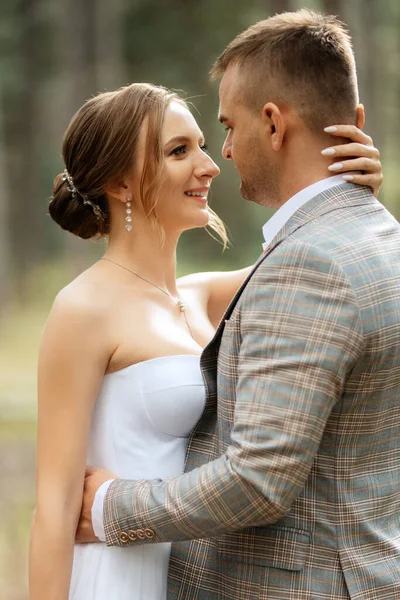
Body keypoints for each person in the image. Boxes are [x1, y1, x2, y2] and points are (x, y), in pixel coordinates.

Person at [29, 26, 383, 600]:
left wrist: (354, 188)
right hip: (114, 576)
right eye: (178, 151)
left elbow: (325, 261)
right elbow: (52, 514)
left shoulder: (200, 294)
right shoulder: (82, 310)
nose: (211, 164)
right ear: (120, 182)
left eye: (202, 141)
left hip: (186, 574)